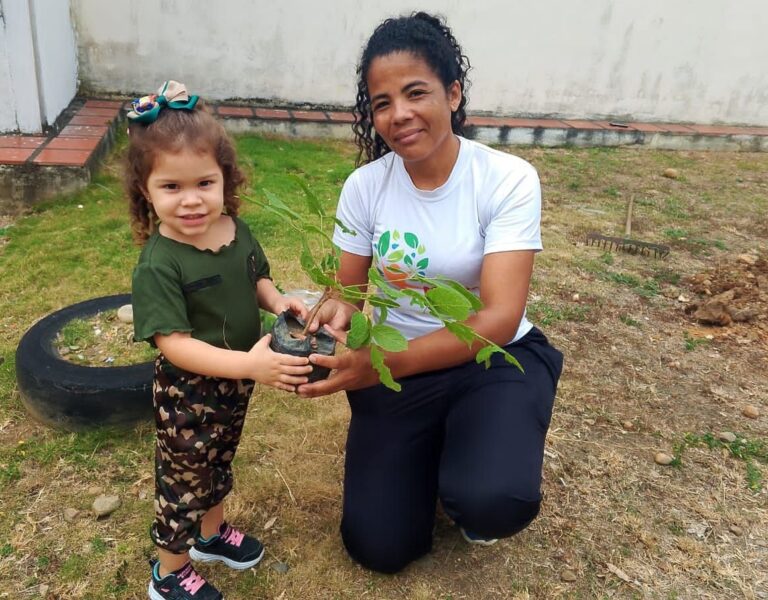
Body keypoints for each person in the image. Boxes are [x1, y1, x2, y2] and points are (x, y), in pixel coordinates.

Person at [299, 13, 564, 574]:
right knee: (378, 546)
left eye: (415, 92)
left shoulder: (506, 179)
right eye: (381, 102)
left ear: (453, 92)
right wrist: (321, 319)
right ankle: (439, 452)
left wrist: (380, 363)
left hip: (493, 359)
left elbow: (496, 316)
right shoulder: (366, 187)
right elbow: (347, 292)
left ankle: (471, 469)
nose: (399, 115)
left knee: (495, 499)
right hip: (398, 369)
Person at [127, 81, 313, 600]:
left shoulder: (236, 230)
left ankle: (211, 537)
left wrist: (279, 303)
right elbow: (175, 344)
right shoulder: (160, 264)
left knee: (220, 460)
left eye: (204, 183)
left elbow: (256, 280)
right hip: (188, 395)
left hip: (235, 384)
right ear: (146, 191)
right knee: (184, 481)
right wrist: (248, 366)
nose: (191, 200)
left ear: (224, 180)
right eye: (171, 187)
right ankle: (168, 572)